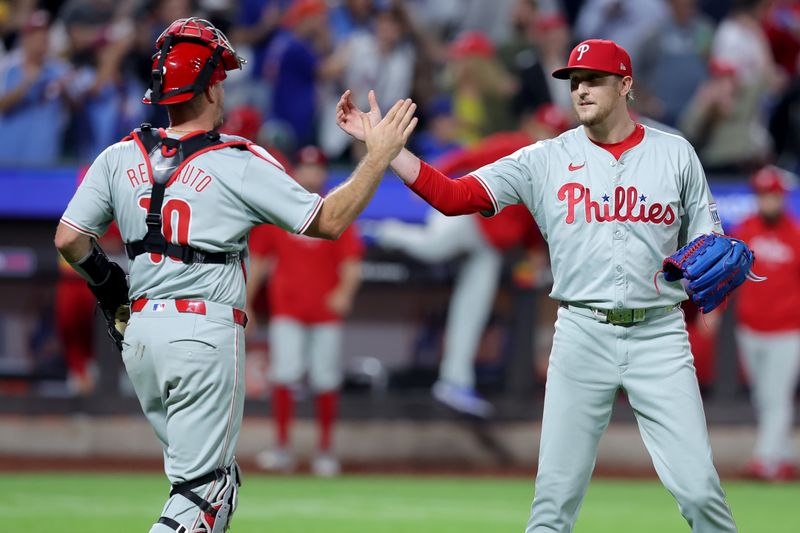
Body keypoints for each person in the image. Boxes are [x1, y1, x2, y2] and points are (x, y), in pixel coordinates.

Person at [337, 39, 739, 532]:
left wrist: (709, 251)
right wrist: (388, 152)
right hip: (581, 335)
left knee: (701, 493)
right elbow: (454, 195)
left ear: (626, 85)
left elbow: (710, 240)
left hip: (659, 335)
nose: (581, 89)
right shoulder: (543, 159)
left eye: (593, 79)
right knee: (552, 504)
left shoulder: (675, 154)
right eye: (575, 81)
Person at [53, 17, 417, 533]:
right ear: (206, 87)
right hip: (203, 332)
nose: (224, 85)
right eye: (218, 76)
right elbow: (329, 221)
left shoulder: (118, 155)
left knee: (198, 486)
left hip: (141, 336)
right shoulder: (235, 160)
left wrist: (107, 284)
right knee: (205, 494)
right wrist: (378, 156)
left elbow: (69, 239)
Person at [375, 104, 568, 417]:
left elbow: (537, 222)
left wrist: (534, 256)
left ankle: (454, 381)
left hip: (489, 246)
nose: (546, 137)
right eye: (545, 130)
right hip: (468, 215)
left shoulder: (554, 171)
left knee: (471, 310)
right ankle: (380, 231)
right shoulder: (513, 144)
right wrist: (430, 175)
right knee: (432, 246)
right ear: (533, 126)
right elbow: (467, 157)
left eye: (554, 133)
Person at [246, 146, 364, 476]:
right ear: (296, 171)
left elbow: (353, 263)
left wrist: (344, 293)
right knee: (284, 374)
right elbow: (259, 261)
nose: (311, 174)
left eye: (317, 168)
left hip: (325, 312)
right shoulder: (279, 210)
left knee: (326, 379)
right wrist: (247, 303)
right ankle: (282, 447)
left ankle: (325, 450)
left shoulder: (336, 209)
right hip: (289, 309)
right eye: (306, 167)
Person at [732, 165, 800, 482]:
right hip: (750, 327)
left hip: (788, 330)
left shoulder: (795, 234)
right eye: (762, 195)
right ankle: (784, 458)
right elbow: (729, 275)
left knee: (776, 395)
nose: (767, 201)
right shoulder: (745, 230)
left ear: (782, 197)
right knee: (764, 396)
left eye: (772, 195)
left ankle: (764, 459)